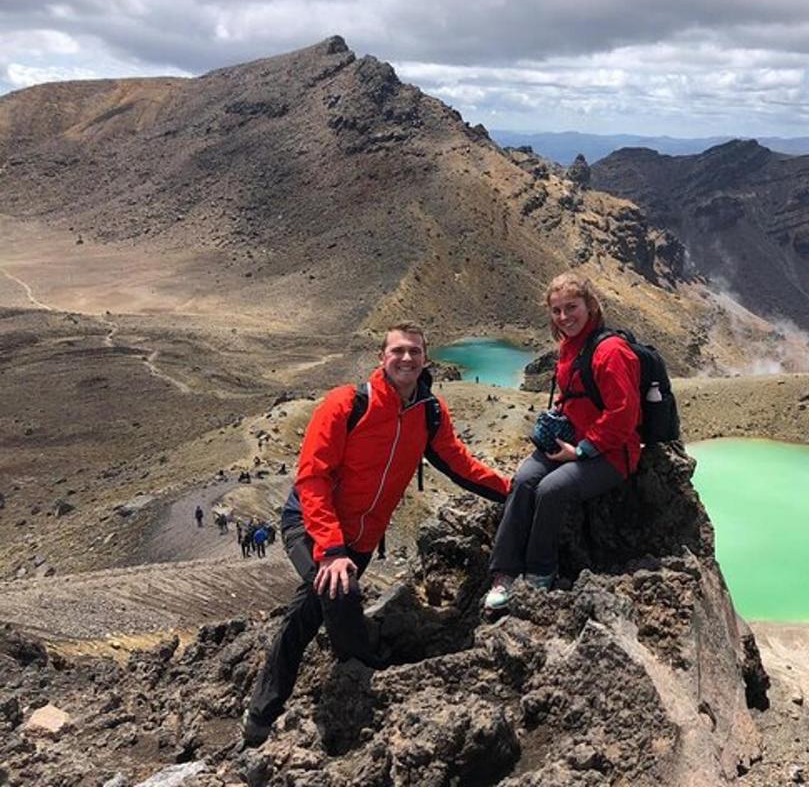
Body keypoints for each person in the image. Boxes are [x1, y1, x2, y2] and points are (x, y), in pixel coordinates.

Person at [243, 322, 510, 747]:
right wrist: (330, 549)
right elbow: (312, 478)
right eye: (398, 351)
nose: (407, 359)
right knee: (328, 597)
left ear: (426, 358)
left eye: (415, 352)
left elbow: (460, 466)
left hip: (362, 541)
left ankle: (305, 690)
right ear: (381, 358)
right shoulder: (347, 403)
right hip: (311, 526)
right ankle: (293, 701)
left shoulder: (430, 412)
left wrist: (515, 490)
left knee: (314, 608)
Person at [484, 272, 641, 611]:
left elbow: (624, 415)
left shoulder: (610, 352)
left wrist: (583, 451)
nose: (564, 317)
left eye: (572, 307)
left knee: (551, 490)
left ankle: (541, 572)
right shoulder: (569, 346)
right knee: (524, 480)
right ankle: (504, 573)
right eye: (556, 310)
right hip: (570, 441)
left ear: (590, 306)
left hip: (611, 453)